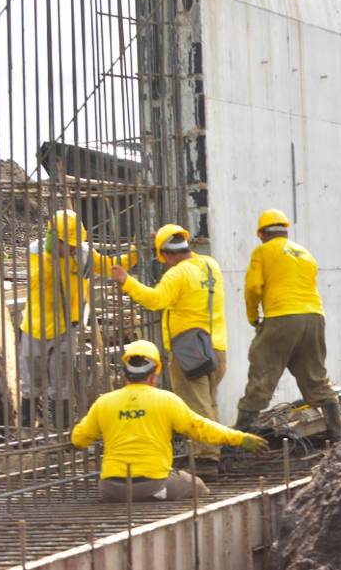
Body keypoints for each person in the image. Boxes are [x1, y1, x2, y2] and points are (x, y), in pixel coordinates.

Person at [71, 340, 266, 502]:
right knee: (197, 487)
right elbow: (200, 428)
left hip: (111, 491)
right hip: (153, 485)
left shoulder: (104, 402)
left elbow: (79, 439)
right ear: (155, 374)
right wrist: (240, 438)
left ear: (125, 374)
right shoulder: (166, 400)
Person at [112, 224, 228, 475]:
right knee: (209, 404)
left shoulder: (178, 274)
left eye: (162, 258)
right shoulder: (210, 265)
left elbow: (156, 300)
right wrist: (160, 236)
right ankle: (212, 450)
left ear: (167, 255)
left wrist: (126, 281)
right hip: (216, 348)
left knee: (196, 406)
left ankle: (207, 459)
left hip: (190, 350)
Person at [20, 209, 137, 428]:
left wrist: (133, 253)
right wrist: (50, 256)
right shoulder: (36, 253)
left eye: (75, 243)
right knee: (31, 382)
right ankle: (27, 431)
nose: (73, 248)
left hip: (66, 328)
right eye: (68, 243)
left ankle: (60, 432)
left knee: (62, 382)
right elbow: (39, 282)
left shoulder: (83, 253)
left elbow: (109, 266)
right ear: (54, 238)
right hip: (35, 328)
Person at [235, 209, 341, 442]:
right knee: (316, 377)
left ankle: (239, 443)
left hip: (282, 317)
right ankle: (338, 438)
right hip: (314, 318)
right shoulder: (304, 253)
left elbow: (253, 288)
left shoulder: (263, 251)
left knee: (262, 374)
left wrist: (254, 317)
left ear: (262, 234)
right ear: (285, 230)